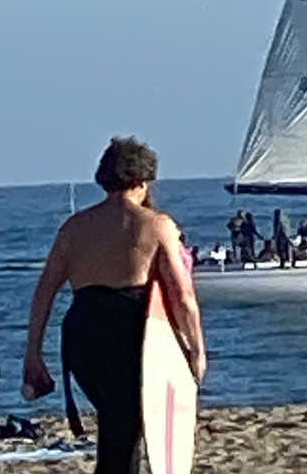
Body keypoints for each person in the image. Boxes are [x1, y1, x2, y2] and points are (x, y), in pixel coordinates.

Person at [23, 137, 206, 474]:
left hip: (83, 335)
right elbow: (183, 296)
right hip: (132, 333)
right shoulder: (157, 225)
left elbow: (43, 293)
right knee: (124, 427)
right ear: (143, 179)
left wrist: (33, 352)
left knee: (118, 423)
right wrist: (196, 350)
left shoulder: (73, 228)